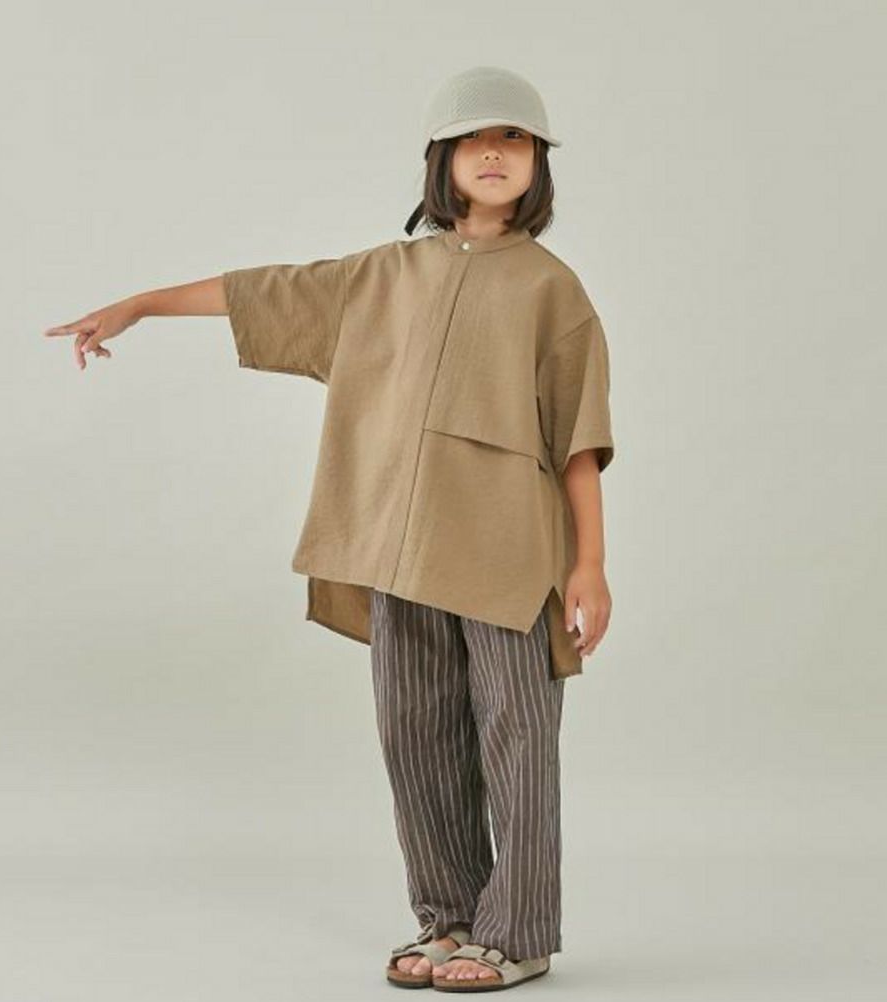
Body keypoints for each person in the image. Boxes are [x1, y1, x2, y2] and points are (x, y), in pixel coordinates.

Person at [44, 65, 615, 994]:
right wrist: (140, 303)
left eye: (514, 138)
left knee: (517, 740)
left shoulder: (555, 290)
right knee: (415, 736)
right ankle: (449, 920)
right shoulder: (383, 275)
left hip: (508, 557)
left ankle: (518, 934)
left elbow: (579, 440)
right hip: (398, 548)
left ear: (539, 162)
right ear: (441, 160)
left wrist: (590, 564)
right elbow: (265, 292)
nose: (494, 153)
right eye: (475, 139)